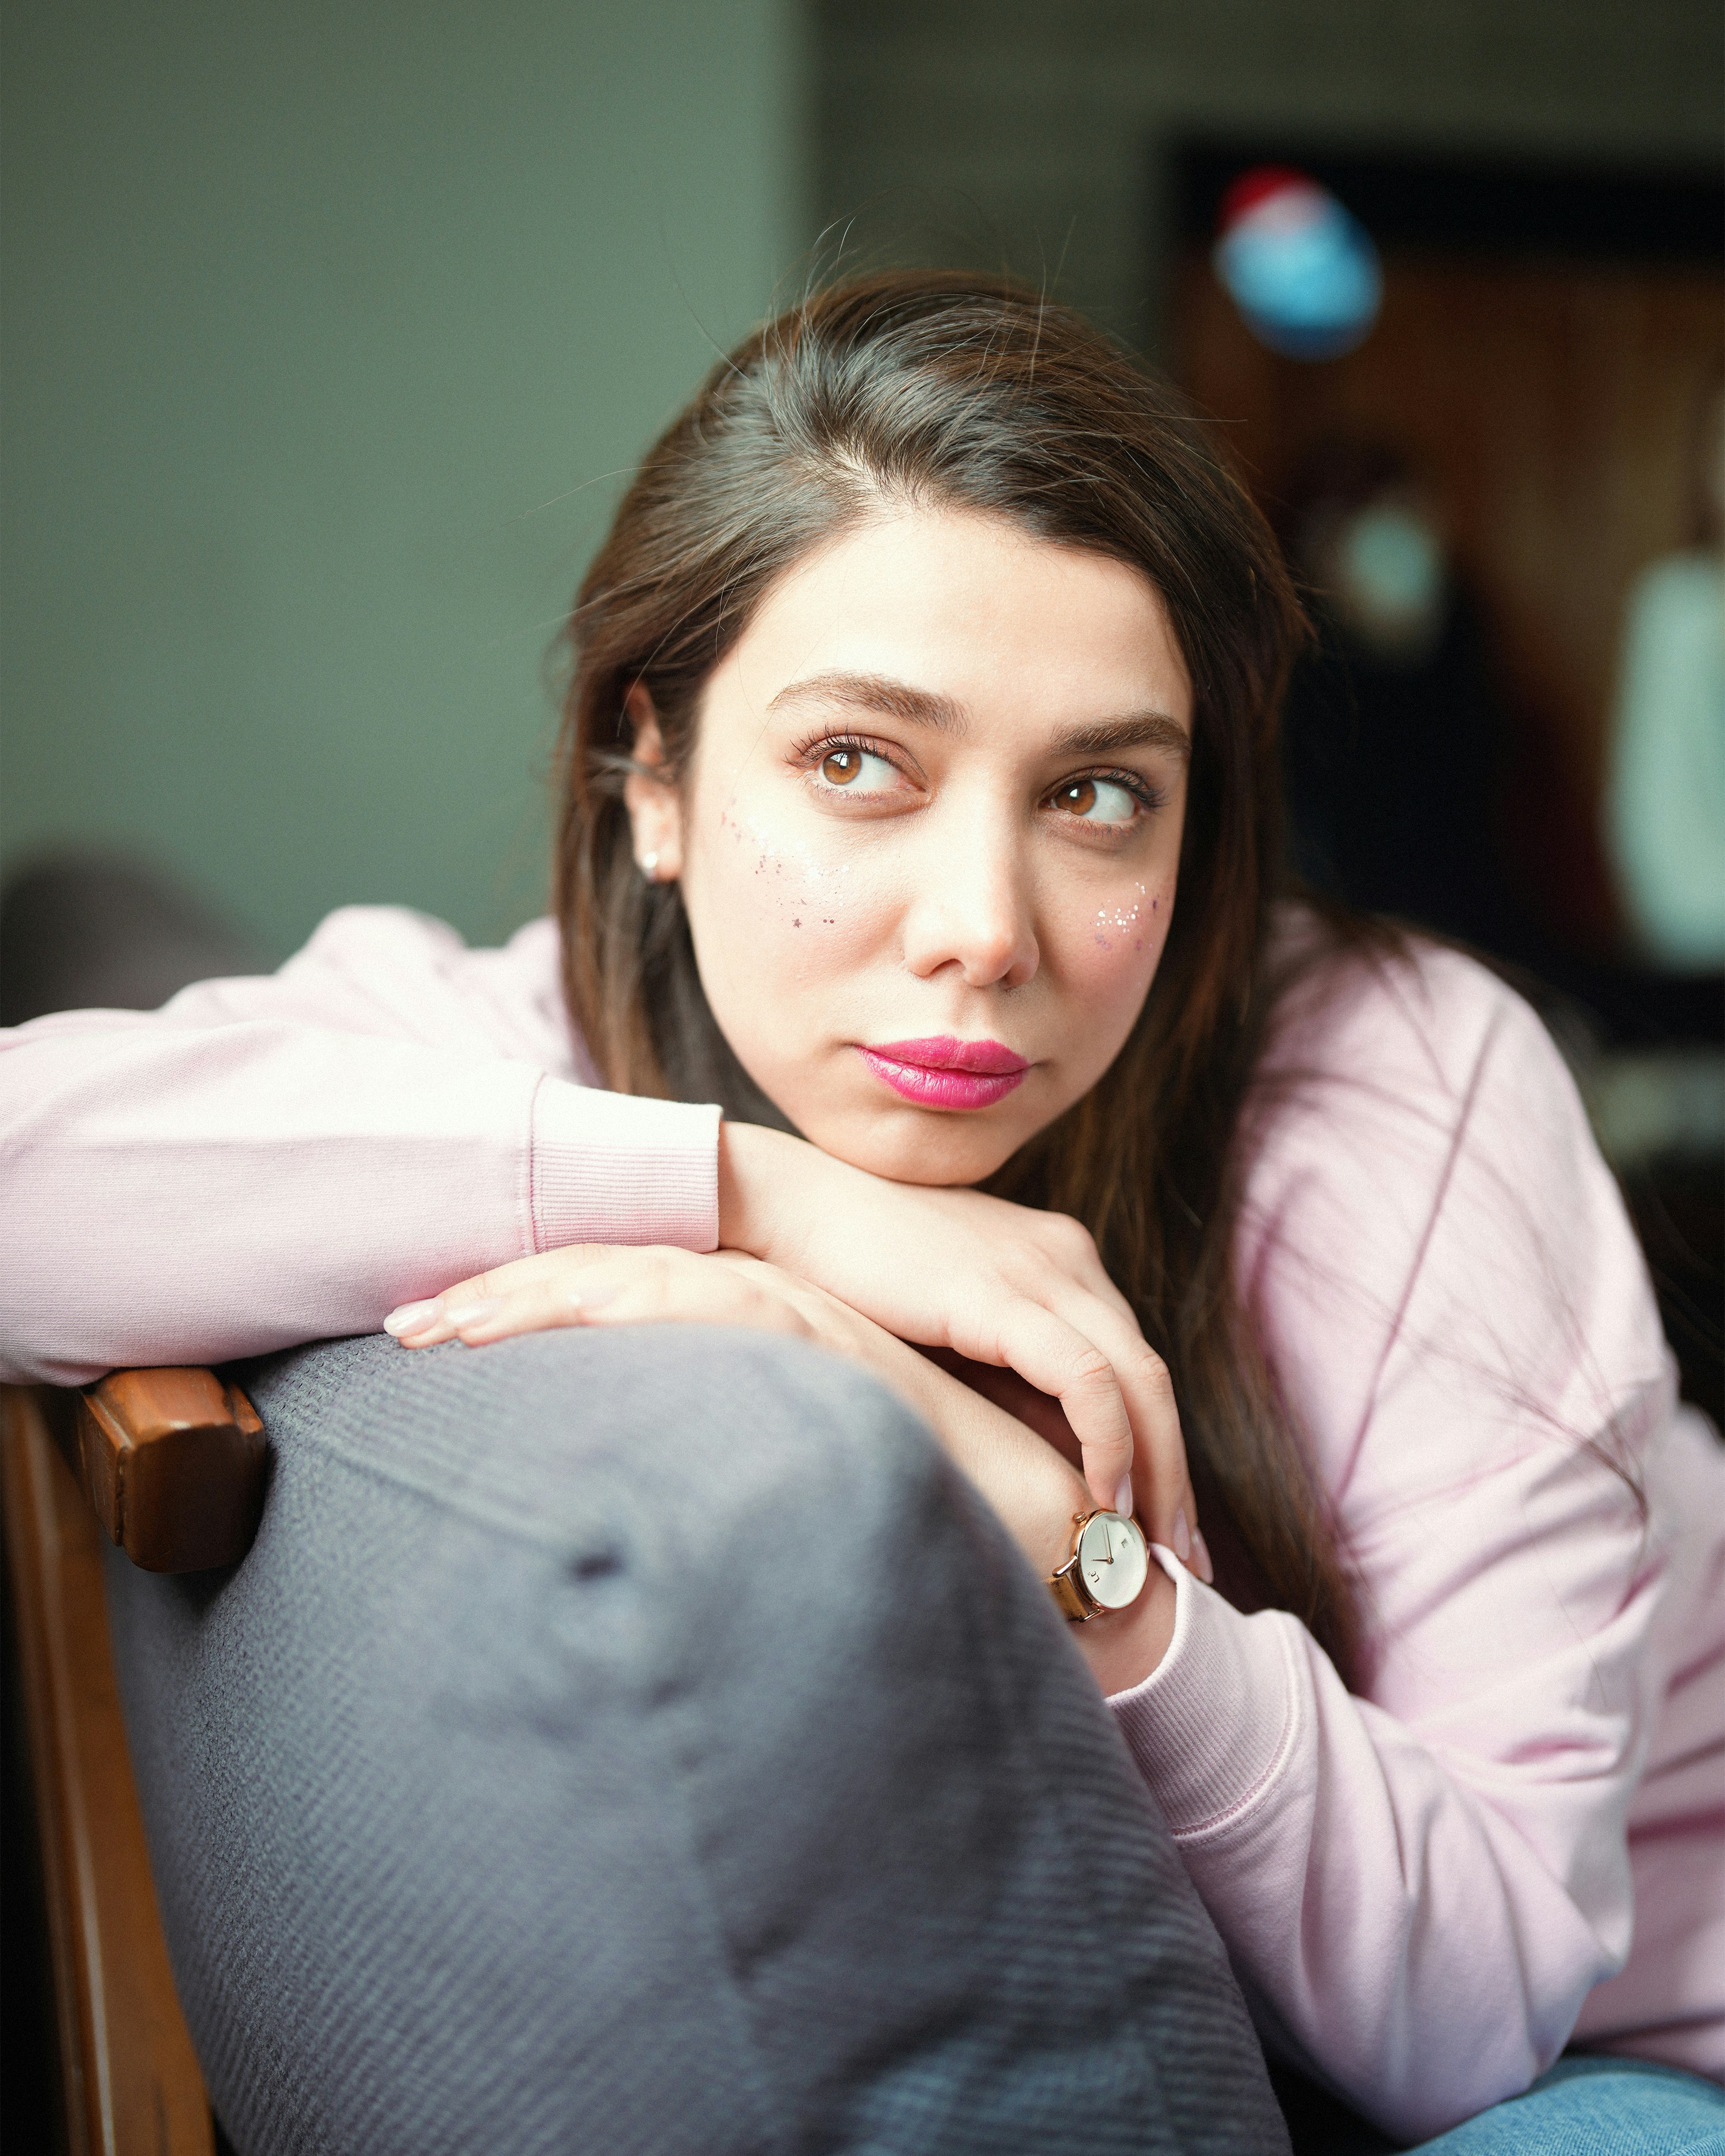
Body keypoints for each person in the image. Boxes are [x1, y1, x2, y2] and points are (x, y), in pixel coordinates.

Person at [2, 272, 1722, 2151]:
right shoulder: (517, 1040)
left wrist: (1065, 1541)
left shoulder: (1407, 1085)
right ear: (652, 776)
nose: (987, 924)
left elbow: (1486, 2012)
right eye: (856, 763)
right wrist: (757, 1197)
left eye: (1096, 794)